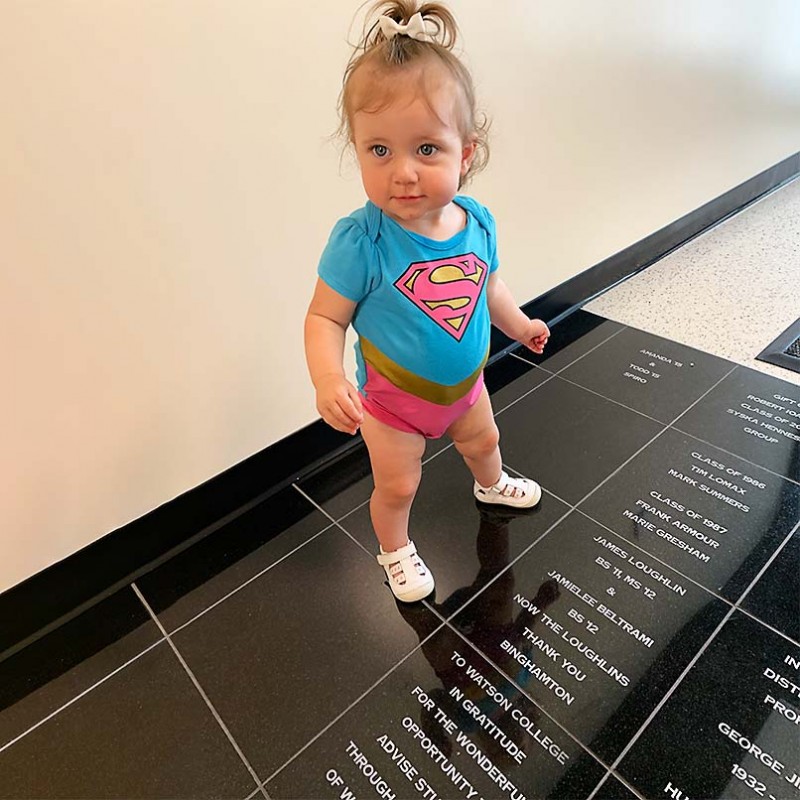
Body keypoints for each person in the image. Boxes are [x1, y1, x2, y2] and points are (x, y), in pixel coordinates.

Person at [304, 0, 550, 603]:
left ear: (465, 153)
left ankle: (490, 486)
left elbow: (486, 284)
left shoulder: (477, 221)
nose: (403, 173)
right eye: (379, 151)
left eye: (427, 150)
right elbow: (324, 316)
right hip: (392, 403)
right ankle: (395, 549)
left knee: (484, 442)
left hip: (467, 385)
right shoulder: (362, 241)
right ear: (357, 151)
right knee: (398, 485)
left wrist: (517, 325)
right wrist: (328, 378)